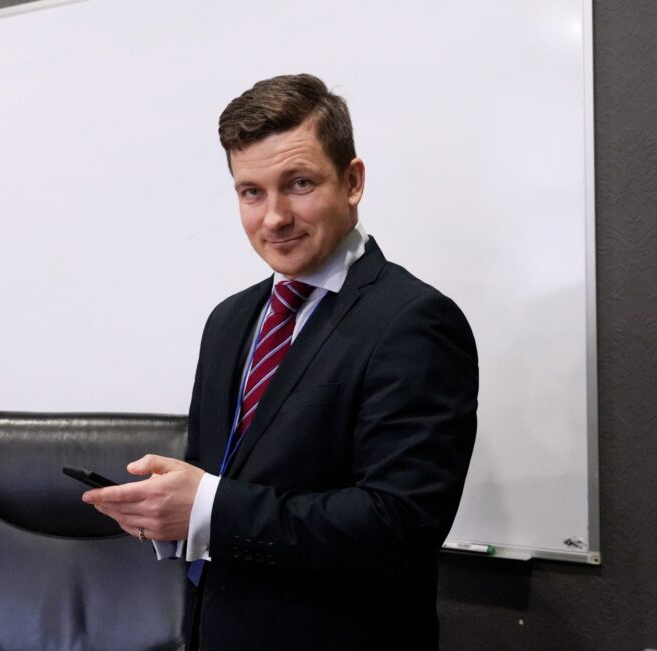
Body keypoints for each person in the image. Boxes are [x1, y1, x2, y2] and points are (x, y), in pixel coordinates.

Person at [83, 73, 478, 650]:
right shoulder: (228, 320)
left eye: (298, 184)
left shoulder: (415, 322)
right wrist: (169, 516)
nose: (274, 218)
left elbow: (398, 524)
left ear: (352, 181)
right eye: (251, 192)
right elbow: (221, 482)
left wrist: (209, 508)